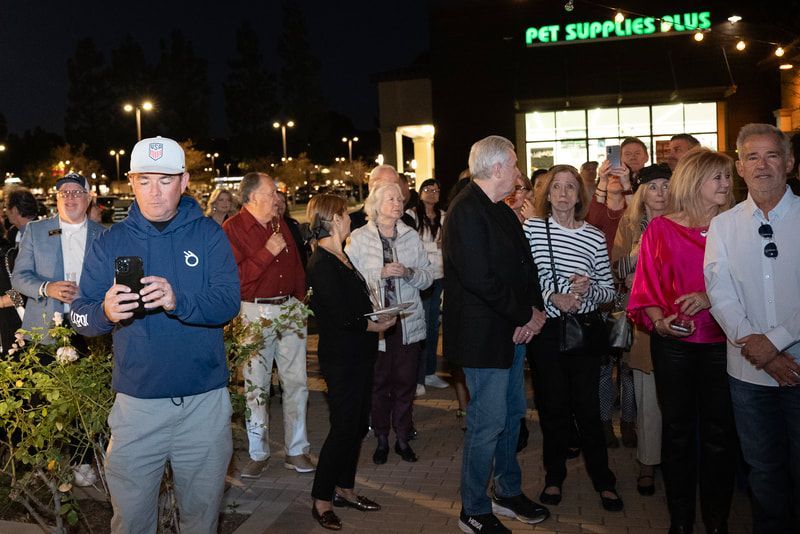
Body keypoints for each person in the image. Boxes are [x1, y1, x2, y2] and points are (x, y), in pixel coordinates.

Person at [70, 136, 240, 533]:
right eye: (144, 180)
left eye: (165, 180)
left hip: (204, 405)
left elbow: (228, 302)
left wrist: (179, 300)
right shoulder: (110, 241)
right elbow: (79, 315)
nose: (155, 192)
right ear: (131, 181)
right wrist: (104, 313)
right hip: (137, 408)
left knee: (201, 520)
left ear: (184, 182)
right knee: (131, 522)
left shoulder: (209, 234)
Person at [628, 148, 737, 534]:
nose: (726, 184)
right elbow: (646, 286)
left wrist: (710, 297)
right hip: (673, 346)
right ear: (694, 181)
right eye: (717, 177)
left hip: (724, 343)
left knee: (719, 435)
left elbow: (750, 284)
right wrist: (659, 322)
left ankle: (717, 522)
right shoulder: (661, 229)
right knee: (676, 433)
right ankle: (681, 521)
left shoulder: (735, 227)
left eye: (728, 177)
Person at [444, 135, 549, 533]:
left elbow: (525, 266)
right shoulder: (466, 210)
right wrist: (525, 314)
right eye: (515, 165)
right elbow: (479, 278)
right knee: (487, 424)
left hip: (512, 332)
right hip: (484, 339)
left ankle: (506, 490)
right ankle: (473, 509)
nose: (520, 173)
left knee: (511, 417)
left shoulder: (499, 208)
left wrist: (532, 313)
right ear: (498, 167)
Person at [704, 123, 800, 534]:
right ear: (740, 168)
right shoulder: (723, 225)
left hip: (797, 364)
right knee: (763, 469)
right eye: (752, 157)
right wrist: (756, 346)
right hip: (747, 372)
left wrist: (774, 344)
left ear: (790, 163)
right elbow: (719, 292)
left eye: (772, 155)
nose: (762, 165)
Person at [523, 164, 623, 513]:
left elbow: (608, 290)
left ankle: (603, 479)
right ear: (547, 194)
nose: (563, 193)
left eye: (570, 186)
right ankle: (554, 476)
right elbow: (525, 280)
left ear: (580, 194)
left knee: (588, 408)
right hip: (548, 332)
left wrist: (588, 290)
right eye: (557, 187)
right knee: (553, 408)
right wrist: (555, 296)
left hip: (584, 330)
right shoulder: (533, 229)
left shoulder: (593, 236)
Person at [305, 194, 395, 530]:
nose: (349, 219)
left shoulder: (342, 256)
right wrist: (375, 326)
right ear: (332, 220)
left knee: (357, 426)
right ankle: (321, 499)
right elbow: (340, 315)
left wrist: (378, 315)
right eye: (344, 214)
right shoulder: (321, 262)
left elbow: (355, 302)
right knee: (343, 428)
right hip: (341, 357)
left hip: (359, 353)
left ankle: (345, 488)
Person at [223, 172, 314, 478]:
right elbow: (235, 279)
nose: (278, 198)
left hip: (290, 310)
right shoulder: (233, 228)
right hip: (254, 312)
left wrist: (300, 301)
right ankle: (258, 452)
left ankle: (296, 449)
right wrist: (267, 252)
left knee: (297, 382)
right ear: (252, 197)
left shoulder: (280, 224)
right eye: (272, 192)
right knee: (256, 386)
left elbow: (296, 265)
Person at [346, 182, 433, 464]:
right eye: (391, 199)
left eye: (400, 199)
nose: (398, 203)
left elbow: (428, 278)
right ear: (376, 204)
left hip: (407, 320)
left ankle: (403, 438)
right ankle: (382, 438)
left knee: (406, 382)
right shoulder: (358, 238)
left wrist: (407, 272)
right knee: (379, 383)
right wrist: (380, 272)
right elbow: (351, 281)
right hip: (377, 322)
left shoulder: (411, 236)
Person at [610, 164, 671, 497]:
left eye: (666, 185)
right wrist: (637, 254)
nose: (660, 193)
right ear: (642, 192)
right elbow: (616, 268)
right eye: (653, 187)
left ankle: (676, 461)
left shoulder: (684, 218)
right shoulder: (630, 223)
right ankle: (647, 463)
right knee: (647, 397)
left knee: (677, 396)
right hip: (643, 321)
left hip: (679, 316)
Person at [12, 173, 104, 336]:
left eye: (77, 192)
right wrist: (46, 288)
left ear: (88, 199)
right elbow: (18, 277)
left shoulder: (103, 235)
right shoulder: (35, 230)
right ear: (57, 198)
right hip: (44, 329)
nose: (70, 197)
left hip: (92, 324)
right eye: (64, 192)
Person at [590, 155, 636, 448]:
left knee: (629, 367)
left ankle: (629, 422)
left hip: (631, 294)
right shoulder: (596, 211)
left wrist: (628, 185)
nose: (615, 178)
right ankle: (605, 421)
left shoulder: (633, 209)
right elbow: (590, 220)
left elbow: (641, 219)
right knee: (604, 365)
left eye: (622, 173)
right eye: (610, 175)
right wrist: (602, 182)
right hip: (603, 296)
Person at [407, 178, 448, 393]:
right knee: (420, 325)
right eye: (428, 189)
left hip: (439, 276)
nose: (432, 193)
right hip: (421, 277)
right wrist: (434, 246)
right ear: (420, 192)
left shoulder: (443, 216)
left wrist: (434, 247)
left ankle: (429, 371)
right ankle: (417, 377)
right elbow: (414, 246)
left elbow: (447, 245)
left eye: (436, 190)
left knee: (433, 326)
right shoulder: (412, 215)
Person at [350, 165, 415, 230]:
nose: (393, 189)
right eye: (387, 185)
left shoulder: (408, 222)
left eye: (396, 185)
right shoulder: (352, 222)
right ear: (372, 187)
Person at [277, 190, 309, 269]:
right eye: (277, 201)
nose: (280, 205)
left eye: (283, 202)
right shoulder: (268, 227)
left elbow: (301, 249)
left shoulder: (293, 223)